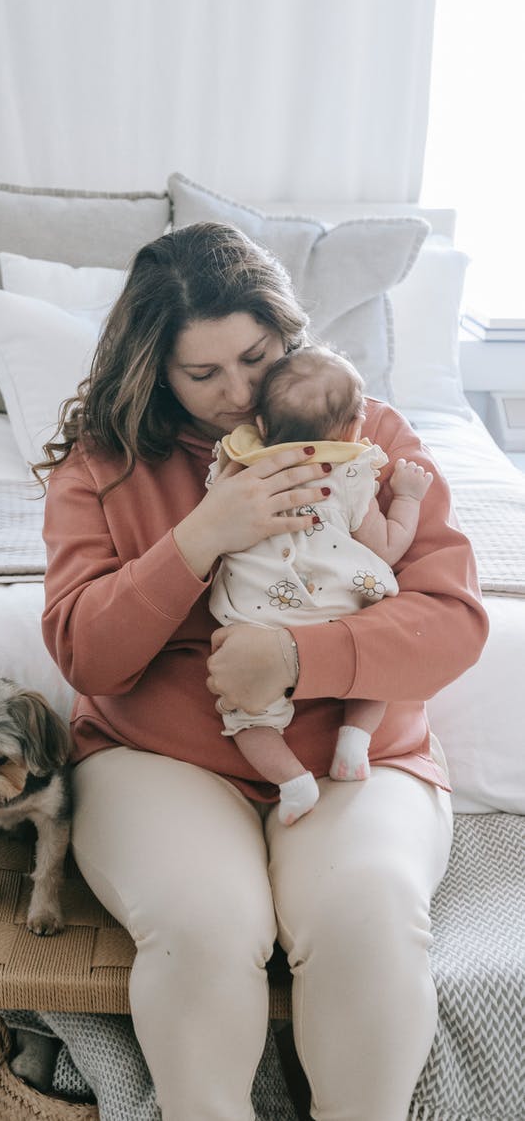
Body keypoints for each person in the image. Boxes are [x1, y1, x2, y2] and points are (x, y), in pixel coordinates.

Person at [37, 222, 487, 1121]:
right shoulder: (105, 464)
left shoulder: (366, 434)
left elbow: (451, 622)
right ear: (154, 371)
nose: (239, 395)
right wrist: (200, 538)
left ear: (286, 332)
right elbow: (85, 653)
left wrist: (292, 659)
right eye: (202, 374)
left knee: (366, 919)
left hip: (356, 753)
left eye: (255, 358)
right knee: (203, 928)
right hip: (159, 757)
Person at [207, 344, 434, 825]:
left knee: (248, 718)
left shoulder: (239, 468)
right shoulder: (351, 475)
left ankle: (293, 783)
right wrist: (408, 498)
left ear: (261, 425)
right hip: (339, 612)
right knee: (379, 663)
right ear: (353, 430)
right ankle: (353, 742)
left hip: (257, 624)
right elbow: (386, 548)